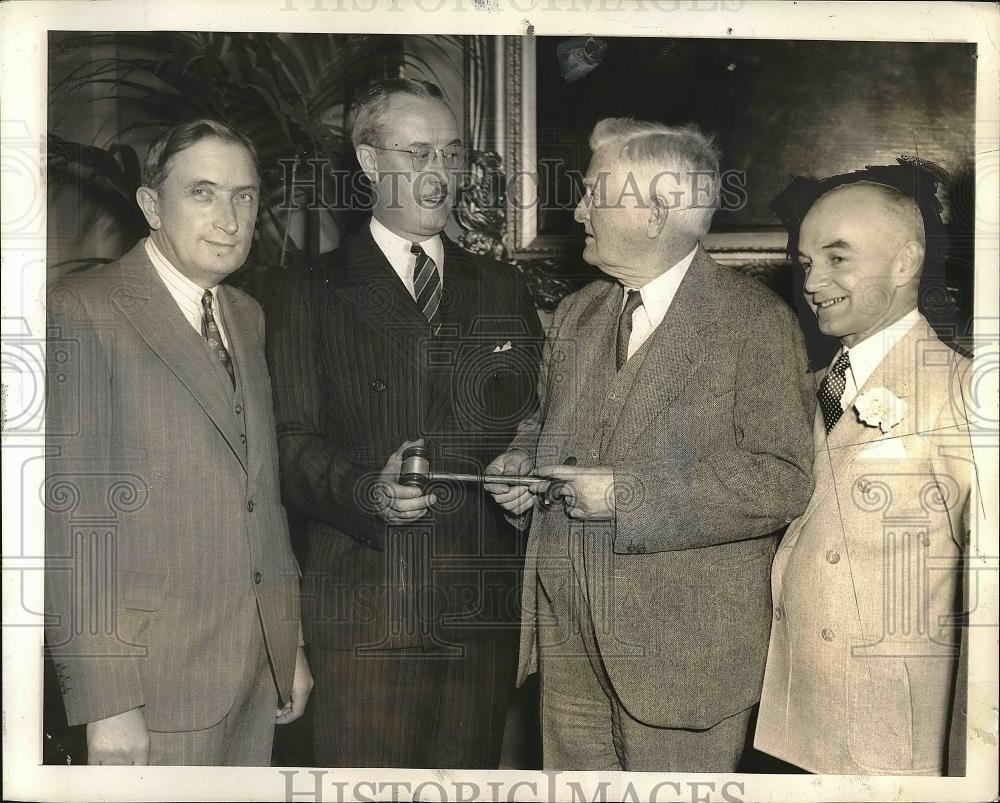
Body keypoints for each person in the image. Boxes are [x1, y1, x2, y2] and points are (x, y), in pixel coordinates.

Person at [485, 118, 815, 771]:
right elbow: (542, 422)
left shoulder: (755, 323)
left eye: (592, 194)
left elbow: (781, 478)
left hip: (683, 665)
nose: (577, 210)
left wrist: (628, 496)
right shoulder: (578, 313)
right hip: (567, 648)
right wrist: (522, 461)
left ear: (654, 213)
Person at [265, 78, 543, 767]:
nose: (441, 174)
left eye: (452, 154)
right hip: (367, 610)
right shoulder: (307, 290)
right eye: (419, 154)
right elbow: (289, 444)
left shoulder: (501, 287)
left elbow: (533, 416)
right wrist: (369, 491)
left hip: (478, 612)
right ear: (368, 162)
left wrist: (523, 464)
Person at [44, 119, 311, 766]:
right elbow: (75, 523)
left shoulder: (245, 314)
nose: (229, 219)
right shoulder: (81, 310)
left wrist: (289, 645)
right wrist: (107, 702)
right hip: (153, 683)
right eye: (203, 193)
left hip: (255, 669)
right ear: (151, 205)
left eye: (244, 196)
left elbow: (261, 494)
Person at [754, 165, 975, 775]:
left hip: (893, 736)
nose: (812, 282)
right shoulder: (809, 388)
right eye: (805, 263)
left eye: (837, 259)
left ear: (905, 263)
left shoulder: (961, 393)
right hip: (792, 719)